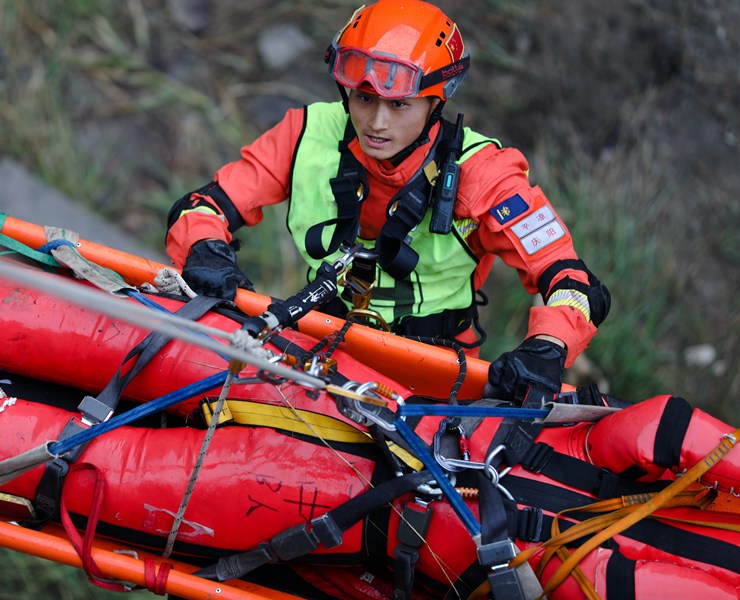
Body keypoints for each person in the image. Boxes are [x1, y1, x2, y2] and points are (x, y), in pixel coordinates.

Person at [164, 0, 610, 403]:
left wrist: (548, 346)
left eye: (400, 106)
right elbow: (202, 206)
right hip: (314, 341)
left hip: (435, 371)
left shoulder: (485, 174)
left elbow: (572, 281)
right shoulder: (306, 135)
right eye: (364, 98)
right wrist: (205, 247)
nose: (376, 123)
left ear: (437, 100)